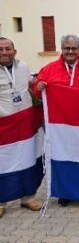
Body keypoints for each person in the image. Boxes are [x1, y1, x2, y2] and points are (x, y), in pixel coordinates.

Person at [34, 34, 79, 207]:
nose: (70, 51)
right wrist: (38, 88)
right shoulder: (49, 68)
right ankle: (64, 192)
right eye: (67, 48)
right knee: (60, 156)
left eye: (74, 48)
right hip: (57, 123)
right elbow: (37, 91)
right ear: (62, 49)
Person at [0, 37, 42, 218]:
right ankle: (1, 201)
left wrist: (39, 84)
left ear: (14, 51)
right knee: (3, 162)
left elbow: (32, 83)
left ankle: (27, 198)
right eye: (0, 49)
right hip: (3, 125)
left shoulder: (23, 66)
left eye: (8, 48)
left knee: (26, 159)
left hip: (24, 124)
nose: (4, 52)